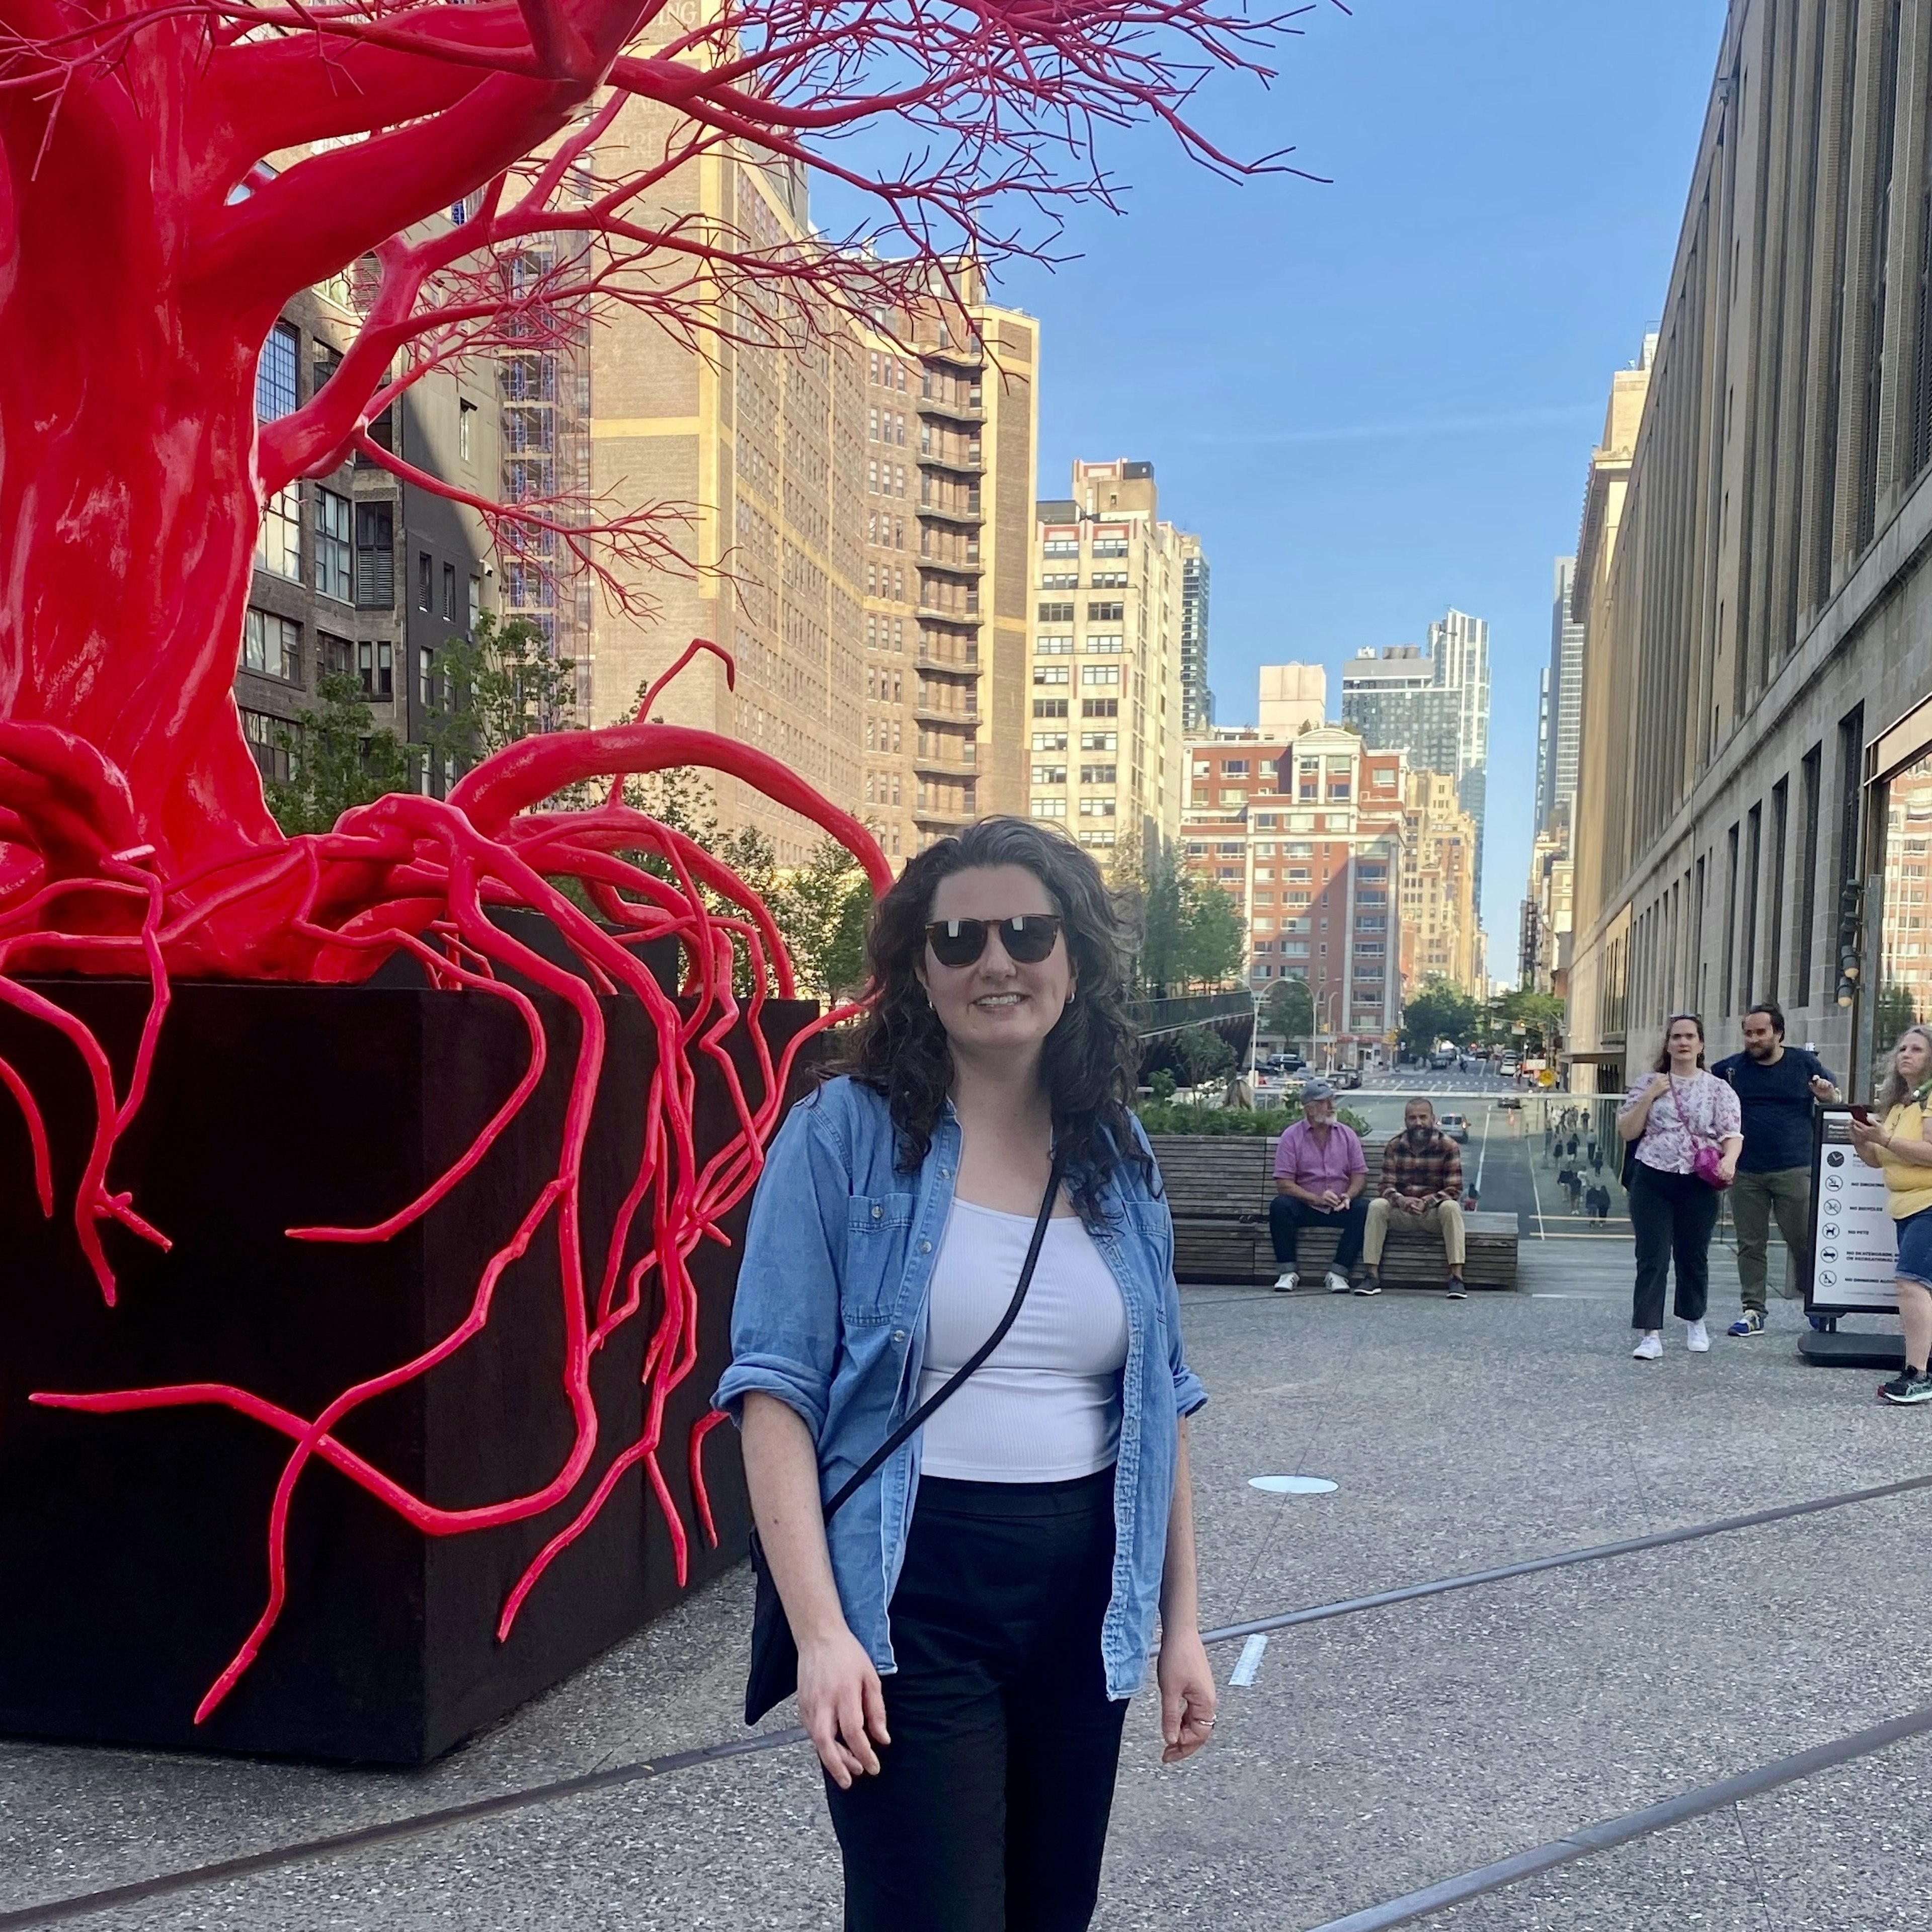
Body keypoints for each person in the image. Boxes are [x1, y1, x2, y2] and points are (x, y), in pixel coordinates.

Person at [715, 818, 1215, 1930]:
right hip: (911, 1595)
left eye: (1030, 932)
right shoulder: (841, 1135)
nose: (998, 961)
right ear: (918, 968)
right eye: (961, 939)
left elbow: (1159, 1398)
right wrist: (822, 1632)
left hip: (1083, 1597)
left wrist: (1178, 1626)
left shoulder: (1117, 1150)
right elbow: (772, 1394)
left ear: (1074, 960)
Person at [1617, 1013, 1742, 1360]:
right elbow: (1627, 1131)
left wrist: (1729, 1161)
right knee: (1652, 1256)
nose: (1683, 1043)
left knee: (1693, 1254)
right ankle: (1650, 1334)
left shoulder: (1718, 1088)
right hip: (1652, 1175)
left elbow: (1732, 1133)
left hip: (1698, 1179)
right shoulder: (1649, 1083)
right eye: (1676, 1037)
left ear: (1701, 1044)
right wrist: (1650, 1096)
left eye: (1690, 1037)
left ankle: (1694, 1320)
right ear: (1668, 1044)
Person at [1711, 1002, 1840, 1337]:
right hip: (1747, 1171)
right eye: (1748, 1033)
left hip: (1794, 1168)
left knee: (1802, 1239)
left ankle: (1816, 1302)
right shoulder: (1728, 1071)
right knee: (1751, 1244)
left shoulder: (1803, 1064)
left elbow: (1834, 1100)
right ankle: (1753, 1310)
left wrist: (1826, 1096)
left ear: (1778, 1034)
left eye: (1761, 1032)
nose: (1753, 1039)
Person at [1847, 1023, 1932, 1404]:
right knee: (1920, 1288)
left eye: (1916, 1049)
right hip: (1905, 1207)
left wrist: (1883, 1139)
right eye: (1902, 1049)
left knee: (1909, 1283)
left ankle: (1917, 1373)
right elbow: (1878, 1161)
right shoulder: (1900, 1106)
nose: (1906, 1055)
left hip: (1928, 1204)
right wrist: (1863, 1141)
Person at [1269, 1078, 1368, 1294]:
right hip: (1306, 1205)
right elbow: (1284, 1183)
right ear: (1310, 1108)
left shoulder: (1347, 1135)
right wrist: (1315, 1199)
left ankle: (1338, 1273)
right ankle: (1287, 1272)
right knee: (1280, 1206)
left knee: (1364, 1209)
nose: (1332, 1106)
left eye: (1332, 1100)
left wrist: (1348, 1196)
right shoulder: (1291, 1137)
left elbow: (1359, 1174)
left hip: (1339, 1206)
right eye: (1325, 1102)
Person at [1362, 1097, 1466, 1298]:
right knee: (1377, 1206)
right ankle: (1371, 1276)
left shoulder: (1449, 1146)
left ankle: (1456, 1278)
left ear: (1433, 1119)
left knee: (1452, 1208)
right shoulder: (1394, 1146)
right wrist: (1401, 1200)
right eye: (1412, 1118)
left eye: (1423, 1117)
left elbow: (1454, 1188)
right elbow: (1385, 1186)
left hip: (1433, 1214)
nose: (1418, 1123)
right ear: (1406, 1121)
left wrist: (1427, 1202)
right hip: (1403, 1212)